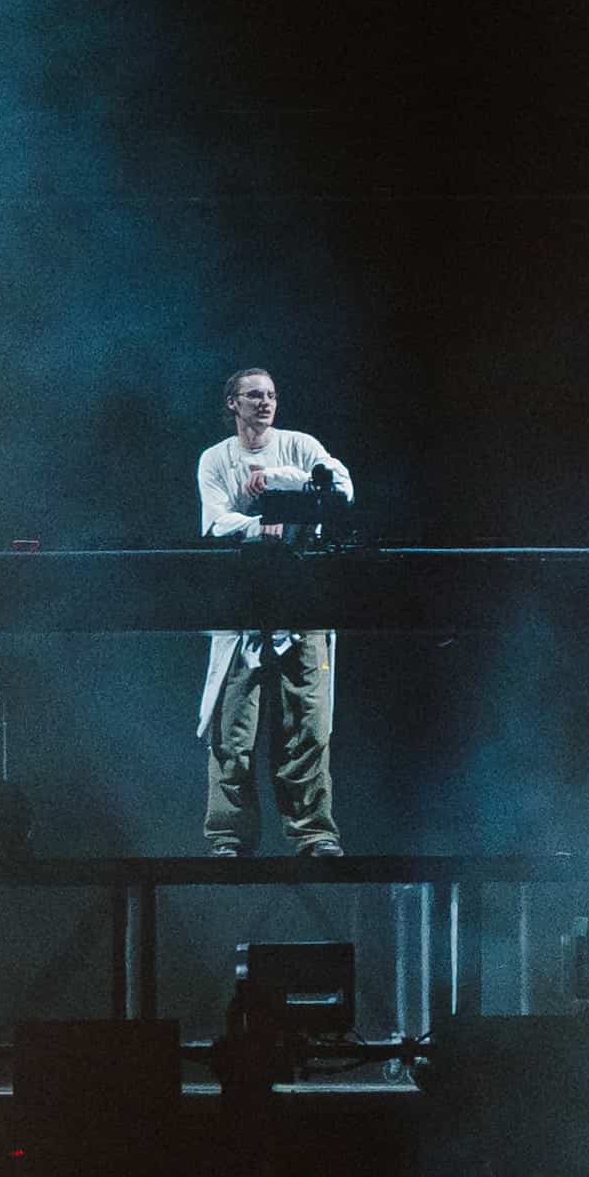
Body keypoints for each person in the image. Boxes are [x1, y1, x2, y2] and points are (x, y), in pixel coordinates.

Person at [198, 364, 357, 861]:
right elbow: (215, 520)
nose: (264, 403)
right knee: (232, 729)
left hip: (303, 599)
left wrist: (282, 478)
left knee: (307, 724)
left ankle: (314, 835)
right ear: (233, 404)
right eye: (253, 395)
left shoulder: (300, 446)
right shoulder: (215, 459)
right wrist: (257, 528)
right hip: (245, 603)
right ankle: (228, 838)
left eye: (270, 395)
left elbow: (341, 489)